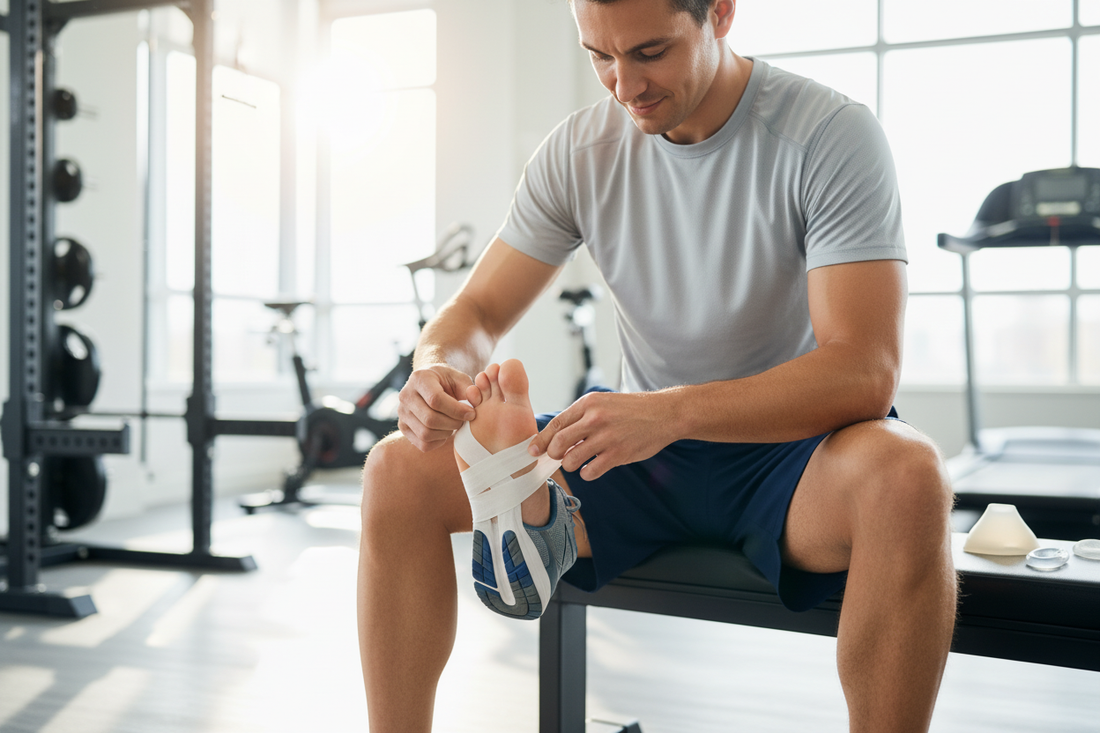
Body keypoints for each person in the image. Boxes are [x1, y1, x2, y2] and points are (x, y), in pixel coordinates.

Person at [357, 0, 957, 731]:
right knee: (396, 469)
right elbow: (477, 311)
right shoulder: (580, 152)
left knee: (910, 473)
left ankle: (536, 499)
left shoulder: (829, 134)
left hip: (792, 459)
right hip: (636, 457)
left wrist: (670, 412)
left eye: (650, 52)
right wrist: (434, 366)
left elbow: (863, 370)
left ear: (721, 14)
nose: (623, 85)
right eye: (598, 56)